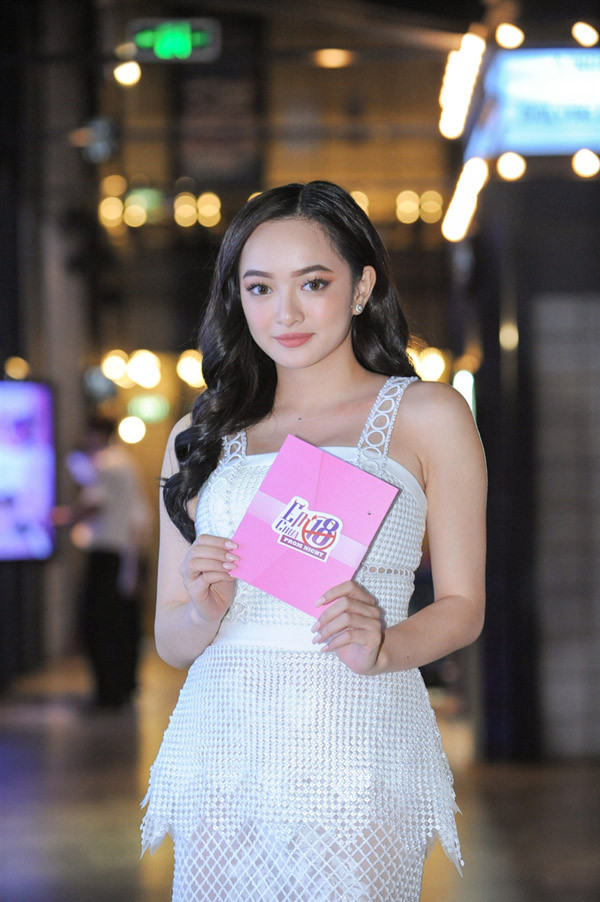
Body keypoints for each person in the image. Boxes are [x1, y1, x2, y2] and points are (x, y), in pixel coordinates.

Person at [141, 181, 486, 901]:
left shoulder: (427, 415)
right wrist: (203, 611)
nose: (286, 313)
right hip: (223, 741)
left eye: (314, 283)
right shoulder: (199, 436)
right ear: (237, 298)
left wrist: (386, 646)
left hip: (355, 738)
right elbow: (170, 639)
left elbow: (462, 605)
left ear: (361, 287)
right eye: (260, 287)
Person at [57, 415, 151, 708]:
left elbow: (94, 504)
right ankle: (123, 686)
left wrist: (64, 517)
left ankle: (108, 693)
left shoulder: (108, 464)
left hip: (108, 553)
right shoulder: (125, 462)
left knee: (99, 624)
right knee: (121, 622)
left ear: (97, 434)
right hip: (124, 552)